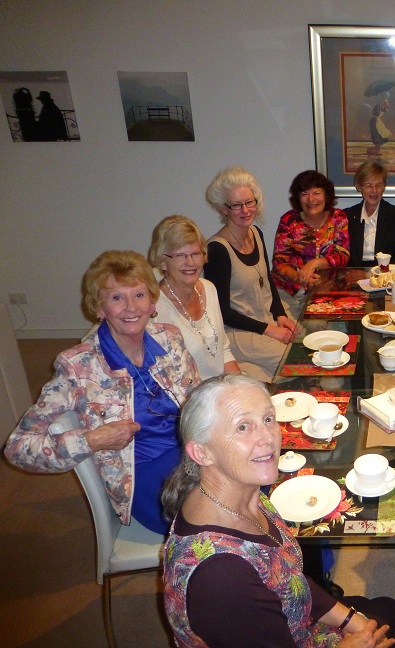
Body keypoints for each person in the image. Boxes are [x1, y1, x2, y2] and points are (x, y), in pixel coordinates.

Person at [162, 374, 395, 648]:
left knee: (386, 613)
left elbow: (287, 576)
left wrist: (351, 619)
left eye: (268, 419)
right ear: (202, 453)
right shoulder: (222, 578)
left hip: (292, 619)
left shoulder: (244, 494)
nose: (267, 437)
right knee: (391, 621)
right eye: (243, 427)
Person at [4, 250, 200, 535]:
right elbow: (17, 448)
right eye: (117, 298)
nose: (131, 307)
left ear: (152, 302)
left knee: (258, 481)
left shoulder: (169, 339)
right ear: (99, 308)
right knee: (219, 517)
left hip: (196, 454)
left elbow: (198, 399)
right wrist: (92, 440)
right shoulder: (78, 367)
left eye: (139, 295)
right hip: (145, 477)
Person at [203, 166, 298, 383]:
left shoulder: (256, 233)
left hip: (266, 318)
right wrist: (269, 330)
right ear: (223, 209)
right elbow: (222, 311)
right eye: (236, 205)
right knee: (296, 360)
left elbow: (268, 281)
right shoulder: (217, 249)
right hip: (239, 331)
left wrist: (281, 316)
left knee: (306, 342)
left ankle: (260, 377)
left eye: (249, 202)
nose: (245, 210)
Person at [148, 215, 240, 380]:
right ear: (162, 261)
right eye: (180, 255)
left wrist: (241, 385)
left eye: (195, 254)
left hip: (220, 386)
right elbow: (169, 378)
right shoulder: (155, 308)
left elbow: (224, 351)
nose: (190, 262)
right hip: (191, 393)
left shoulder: (208, 289)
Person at [271, 170, 350, 315]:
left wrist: (315, 263)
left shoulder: (338, 217)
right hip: (287, 291)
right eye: (304, 194)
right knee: (287, 326)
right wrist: (299, 277)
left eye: (316, 193)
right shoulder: (289, 220)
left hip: (324, 290)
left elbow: (342, 255)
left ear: (326, 195)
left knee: (317, 324)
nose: (311, 199)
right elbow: (279, 262)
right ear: (298, 198)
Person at [345, 162, 395, 268]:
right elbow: (343, 256)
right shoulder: (347, 216)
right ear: (359, 187)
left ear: (384, 187)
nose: (374, 190)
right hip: (354, 275)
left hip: (386, 274)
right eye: (368, 185)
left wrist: (372, 274)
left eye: (379, 185)